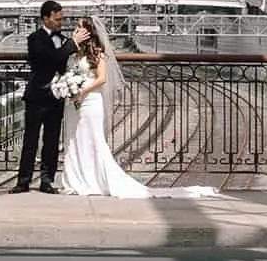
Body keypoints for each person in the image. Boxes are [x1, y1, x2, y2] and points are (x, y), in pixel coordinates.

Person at [57, 16, 218, 199]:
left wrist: (82, 91)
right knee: (75, 140)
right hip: (76, 105)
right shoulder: (75, 54)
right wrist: (69, 88)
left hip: (91, 101)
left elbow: (101, 79)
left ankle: (96, 180)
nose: (74, 30)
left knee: (93, 140)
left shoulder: (99, 53)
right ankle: (78, 179)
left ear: (88, 32)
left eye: (79, 27)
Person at [10, 0, 75, 194]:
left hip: (56, 97)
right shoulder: (35, 38)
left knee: (52, 140)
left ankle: (47, 180)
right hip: (37, 96)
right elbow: (51, 58)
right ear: (45, 18)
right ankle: (23, 181)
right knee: (31, 139)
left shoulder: (63, 40)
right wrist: (72, 44)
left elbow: (62, 61)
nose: (60, 23)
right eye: (56, 19)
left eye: (61, 19)